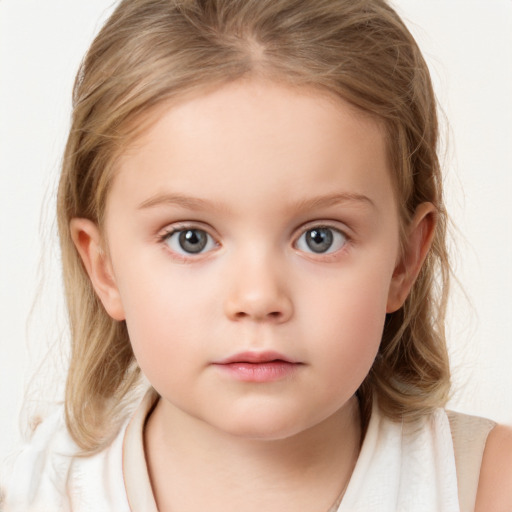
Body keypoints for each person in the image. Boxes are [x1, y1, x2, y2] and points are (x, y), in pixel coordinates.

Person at [1, 0, 511, 510]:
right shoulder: (40, 495)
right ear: (103, 267)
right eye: (191, 239)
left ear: (404, 260)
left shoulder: (487, 486)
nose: (258, 297)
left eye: (320, 237)